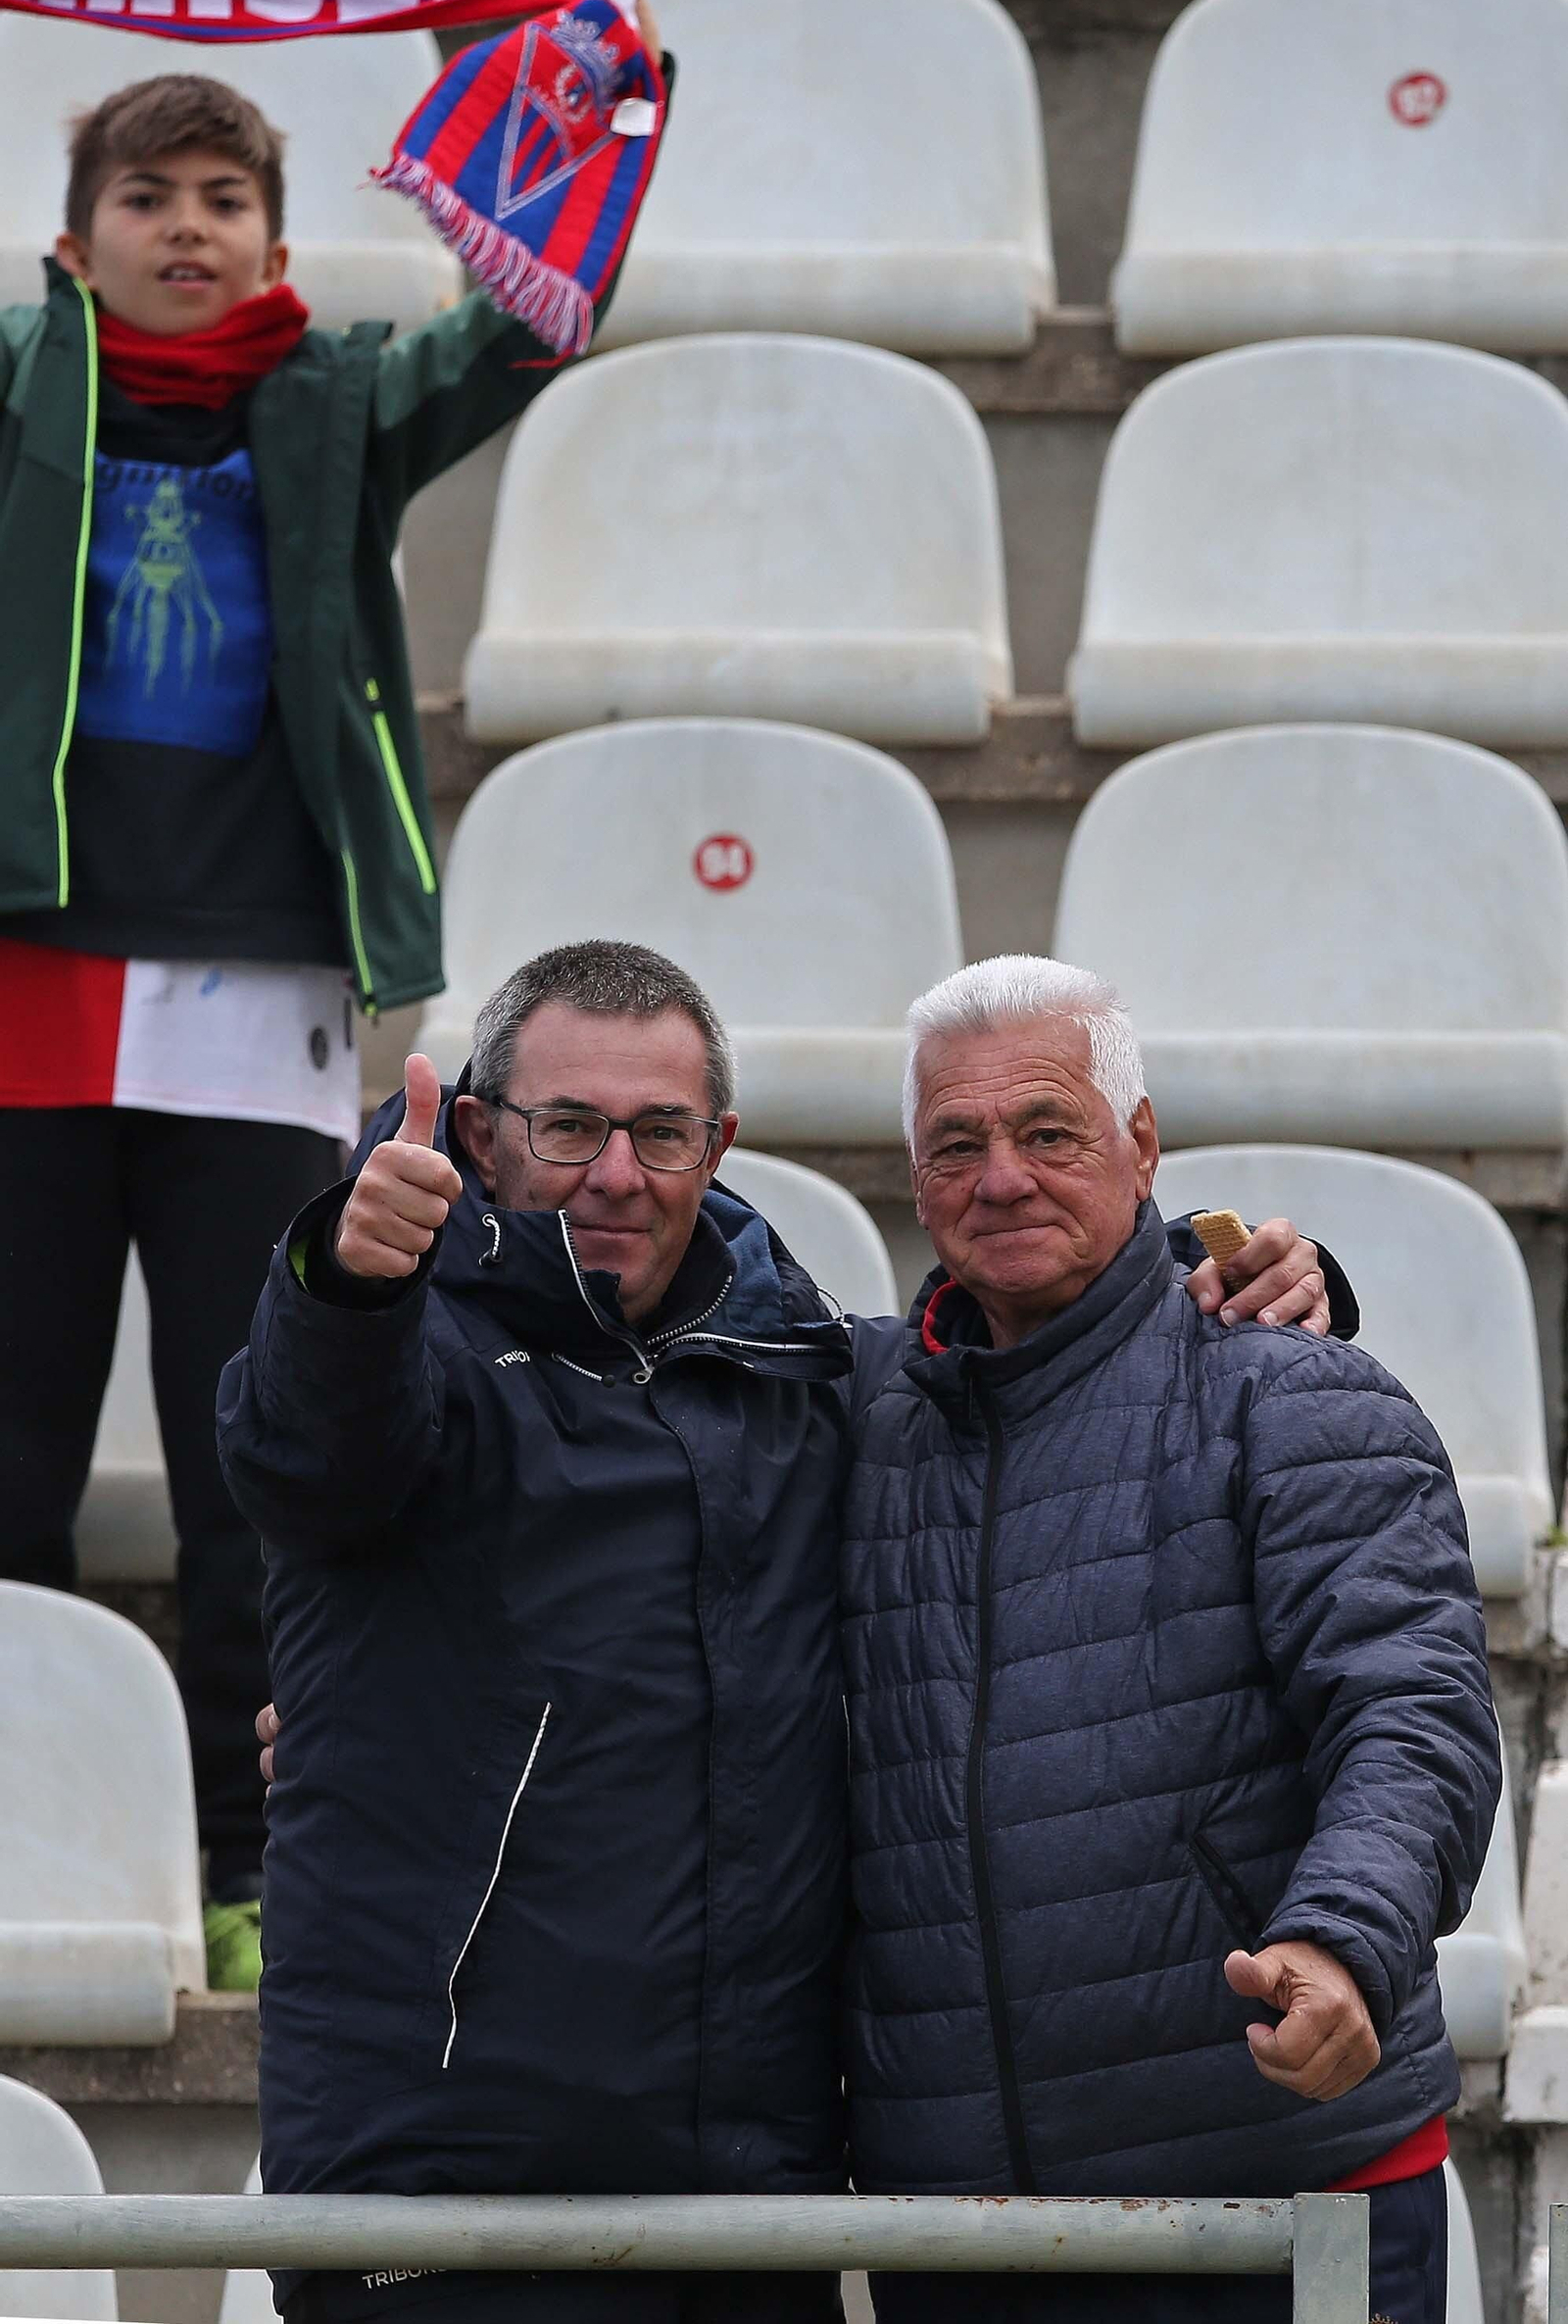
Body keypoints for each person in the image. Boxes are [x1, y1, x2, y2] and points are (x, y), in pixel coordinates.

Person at [219, 937, 1344, 2324]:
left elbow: (1022, 1348)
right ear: (476, 1133)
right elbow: (299, 1452)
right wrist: (342, 1284)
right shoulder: (406, 1346)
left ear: (722, 1144)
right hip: (445, 2196)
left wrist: (1237, 1269)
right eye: (569, 1127)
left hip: (749, 2197)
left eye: (661, 1132)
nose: (617, 1174)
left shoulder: (807, 1370)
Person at [0, 0, 657, 1990]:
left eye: (222, 196)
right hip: (30, 984)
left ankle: (248, 1864)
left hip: (259, 998)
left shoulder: (342, 400)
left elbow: (528, 325)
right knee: (11, 1466)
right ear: (73, 231)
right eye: (144, 194)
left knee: (245, 1473)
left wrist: (588, 107)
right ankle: (25, 1838)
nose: (185, 227)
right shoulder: (16, 379)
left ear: (276, 242)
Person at [840, 954, 1502, 2324]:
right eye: (954, 1145)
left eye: (1047, 1133)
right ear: (913, 1178)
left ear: (1142, 1148)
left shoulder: (1298, 1393)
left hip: (1281, 2196)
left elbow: (1413, 1714)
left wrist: (1342, 1945)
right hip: (963, 2232)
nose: (1000, 1177)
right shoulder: (850, 1427)